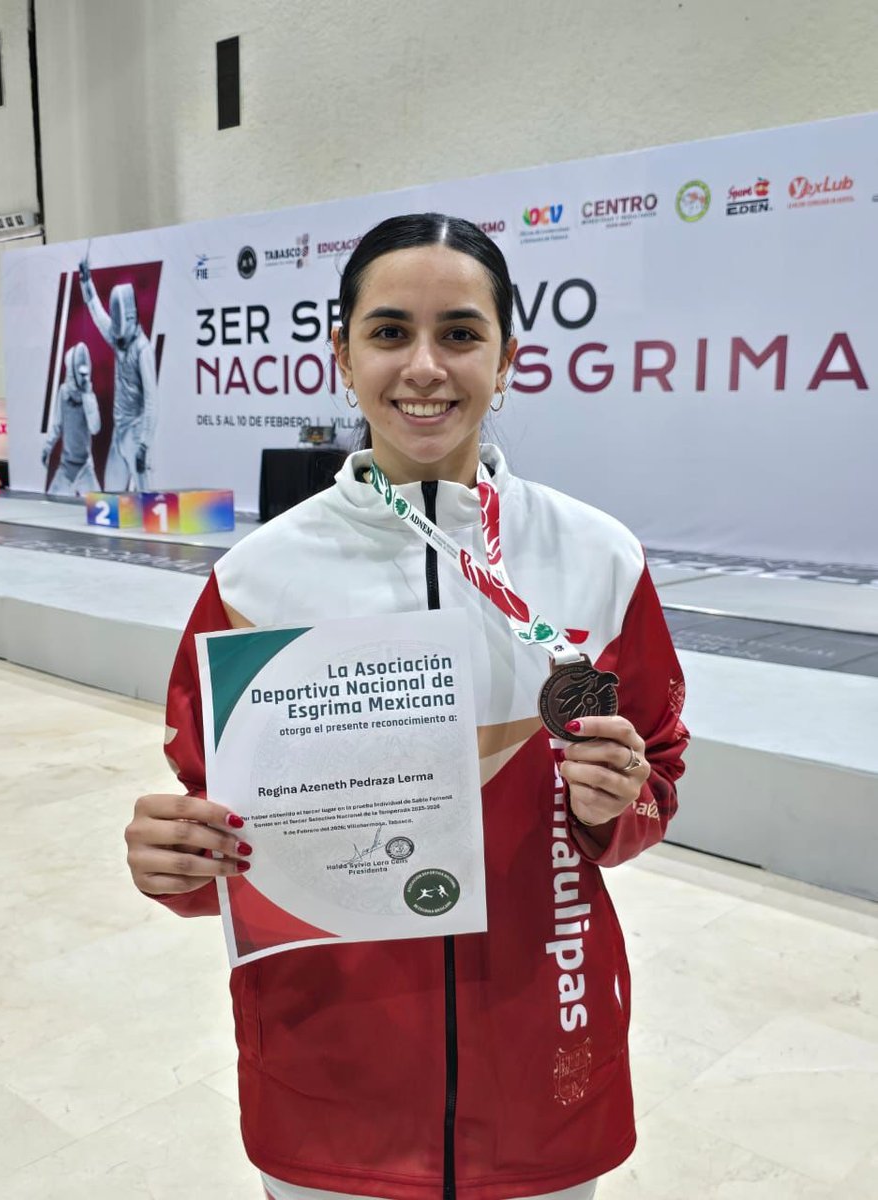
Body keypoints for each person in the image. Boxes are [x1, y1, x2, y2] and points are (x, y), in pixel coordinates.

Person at [126, 214, 689, 1200]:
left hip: (539, 1054)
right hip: (333, 1077)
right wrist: (175, 862)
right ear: (342, 355)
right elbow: (216, 819)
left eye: (460, 333)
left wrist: (620, 803)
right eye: (389, 332)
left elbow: (659, 770)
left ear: (507, 359)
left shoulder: (597, 558)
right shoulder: (256, 578)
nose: (425, 367)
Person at [78, 260, 157, 491]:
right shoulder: (118, 338)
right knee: (111, 495)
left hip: (136, 435)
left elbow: (152, 401)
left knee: (147, 499)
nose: (116, 334)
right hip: (118, 432)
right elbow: (98, 314)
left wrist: (144, 445)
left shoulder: (143, 350)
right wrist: (86, 282)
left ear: (131, 317)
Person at [42, 341, 102, 495]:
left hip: (85, 468)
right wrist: (47, 448)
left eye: (85, 372)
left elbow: (95, 428)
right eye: (80, 372)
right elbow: (57, 425)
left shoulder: (89, 396)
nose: (83, 377)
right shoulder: (64, 392)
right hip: (66, 468)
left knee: (103, 506)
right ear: (72, 370)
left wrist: (87, 395)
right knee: (49, 503)